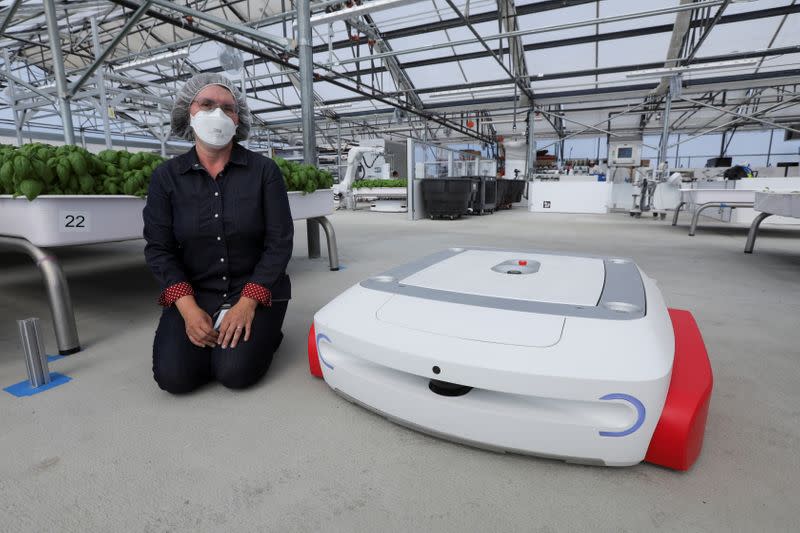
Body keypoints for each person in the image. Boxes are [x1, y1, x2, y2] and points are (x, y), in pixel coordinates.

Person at [143, 73, 293, 394]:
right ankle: (217, 333)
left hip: (254, 288)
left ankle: (268, 330)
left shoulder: (264, 171)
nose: (218, 114)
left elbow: (279, 242)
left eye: (228, 108)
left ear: (239, 120)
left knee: (234, 373)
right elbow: (159, 249)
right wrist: (187, 308)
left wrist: (246, 303)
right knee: (175, 378)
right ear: (189, 111)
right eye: (207, 104)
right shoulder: (166, 178)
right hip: (195, 292)